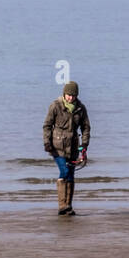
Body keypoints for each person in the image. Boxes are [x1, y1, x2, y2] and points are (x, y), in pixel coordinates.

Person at [42, 81, 90, 216]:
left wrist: (84, 145)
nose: (71, 98)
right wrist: (47, 143)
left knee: (71, 175)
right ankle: (62, 205)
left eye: (73, 96)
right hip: (57, 147)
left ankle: (68, 207)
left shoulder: (81, 108)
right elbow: (47, 126)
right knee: (64, 171)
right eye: (69, 95)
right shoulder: (55, 106)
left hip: (73, 147)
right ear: (64, 94)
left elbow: (86, 128)